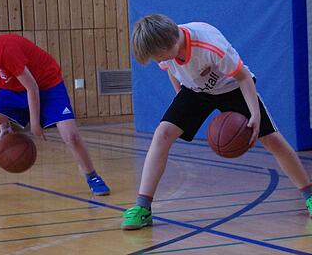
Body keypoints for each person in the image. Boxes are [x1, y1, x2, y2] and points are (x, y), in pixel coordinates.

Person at [121, 14, 312, 230]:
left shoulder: (210, 45)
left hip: (233, 87)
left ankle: (309, 195)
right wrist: (181, 100)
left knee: (272, 140)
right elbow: (171, 70)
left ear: (172, 42)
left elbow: (244, 77)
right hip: (195, 90)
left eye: (158, 56)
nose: (158, 60)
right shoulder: (162, 44)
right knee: (162, 133)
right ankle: (143, 207)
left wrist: (255, 115)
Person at [0, 31, 110, 202]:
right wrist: (4, 126)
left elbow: (33, 88)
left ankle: (92, 177)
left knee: (71, 136)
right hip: (15, 90)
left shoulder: (6, 50)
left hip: (47, 86)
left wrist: (35, 124)